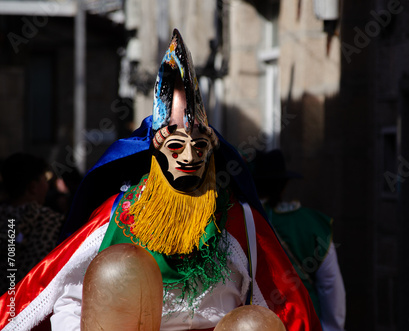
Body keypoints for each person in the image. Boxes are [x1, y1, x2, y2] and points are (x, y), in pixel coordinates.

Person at [0, 29, 321, 331]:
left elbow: (287, 308)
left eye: (199, 146)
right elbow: (63, 291)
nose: (189, 156)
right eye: (176, 146)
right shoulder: (120, 214)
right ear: (157, 153)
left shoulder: (238, 221)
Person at [251, 149, 346, 331]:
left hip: (256, 322)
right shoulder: (313, 223)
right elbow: (330, 285)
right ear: (284, 186)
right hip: (304, 321)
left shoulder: (239, 220)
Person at [0, 153, 65, 293]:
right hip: (31, 302)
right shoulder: (52, 222)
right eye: (44, 180)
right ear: (33, 187)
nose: (47, 186)